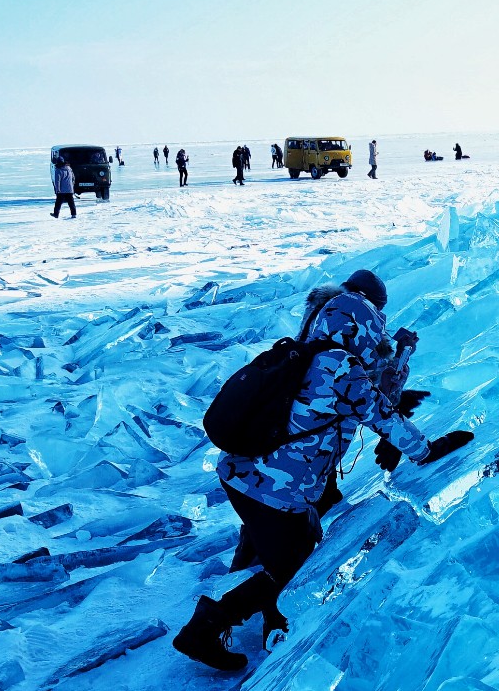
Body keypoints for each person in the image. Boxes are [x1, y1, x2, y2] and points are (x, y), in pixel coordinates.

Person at [173, 270, 473, 670]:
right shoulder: (341, 368)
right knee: (297, 569)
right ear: (366, 324)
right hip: (272, 489)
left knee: (289, 539)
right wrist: (427, 450)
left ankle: (256, 602)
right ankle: (208, 628)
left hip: (244, 474)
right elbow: (382, 413)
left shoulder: (310, 351)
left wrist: (398, 358)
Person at [50, 153, 77, 218]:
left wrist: (57, 190)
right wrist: (71, 185)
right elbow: (73, 178)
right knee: (71, 203)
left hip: (61, 190)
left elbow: (57, 181)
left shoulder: (58, 170)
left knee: (58, 203)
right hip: (70, 189)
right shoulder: (69, 168)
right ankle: (74, 214)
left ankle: (56, 214)